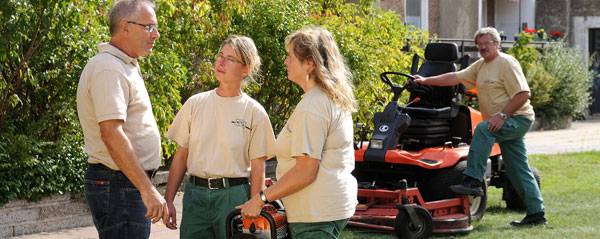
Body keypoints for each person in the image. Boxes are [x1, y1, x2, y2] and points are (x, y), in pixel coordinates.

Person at [409, 27, 547, 226]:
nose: (483, 47)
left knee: (482, 128)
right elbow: (454, 78)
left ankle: (473, 181)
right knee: (518, 170)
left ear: (497, 44)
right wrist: (425, 80)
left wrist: (501, 116)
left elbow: (523, 94)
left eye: (487, 43)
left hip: (518, 118)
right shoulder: (480, 66)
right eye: (480, 45)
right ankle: (537, 214)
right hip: (502, 121)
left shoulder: (506, 63)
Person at [237, 26, 357, 239]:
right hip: (328, 207)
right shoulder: (329, 98)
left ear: (309, 63)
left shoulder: (313, 106)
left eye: (290, 56)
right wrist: (279, 185)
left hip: (314, 214)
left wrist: (261, 198)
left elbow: (305, 172)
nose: (286, 62)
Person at [163, 35, 276, 239]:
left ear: (246, 68)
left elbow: (258, 165)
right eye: (220, 55)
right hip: (195, 195)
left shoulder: (254, 112)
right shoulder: (195, 104)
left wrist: (255, 204)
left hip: (234, 196)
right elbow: (181, 156)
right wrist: (168, 200)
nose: (221, 62)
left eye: (230, 59)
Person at [76, 0, 167, 238]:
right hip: (119, 183)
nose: (156, 35)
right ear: (125, 27)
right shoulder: (109, 68)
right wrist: (147, 190)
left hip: (123, 183)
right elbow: (111, 133)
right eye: (149, 27)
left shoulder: (123, 65)